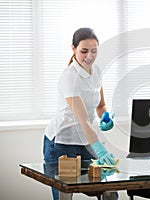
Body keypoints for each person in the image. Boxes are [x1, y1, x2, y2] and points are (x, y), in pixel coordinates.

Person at [43, 27, 118, 200]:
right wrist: (100, 150)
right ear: (73, 49)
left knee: (109, 188)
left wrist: (106, 116)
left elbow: (101, 105)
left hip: (85, 139)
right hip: (61, 142)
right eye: (84, 51)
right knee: (65, 193)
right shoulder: (70, 77)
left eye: (94, 51)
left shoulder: (96, 71)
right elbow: (83, 120)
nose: (89, 56)